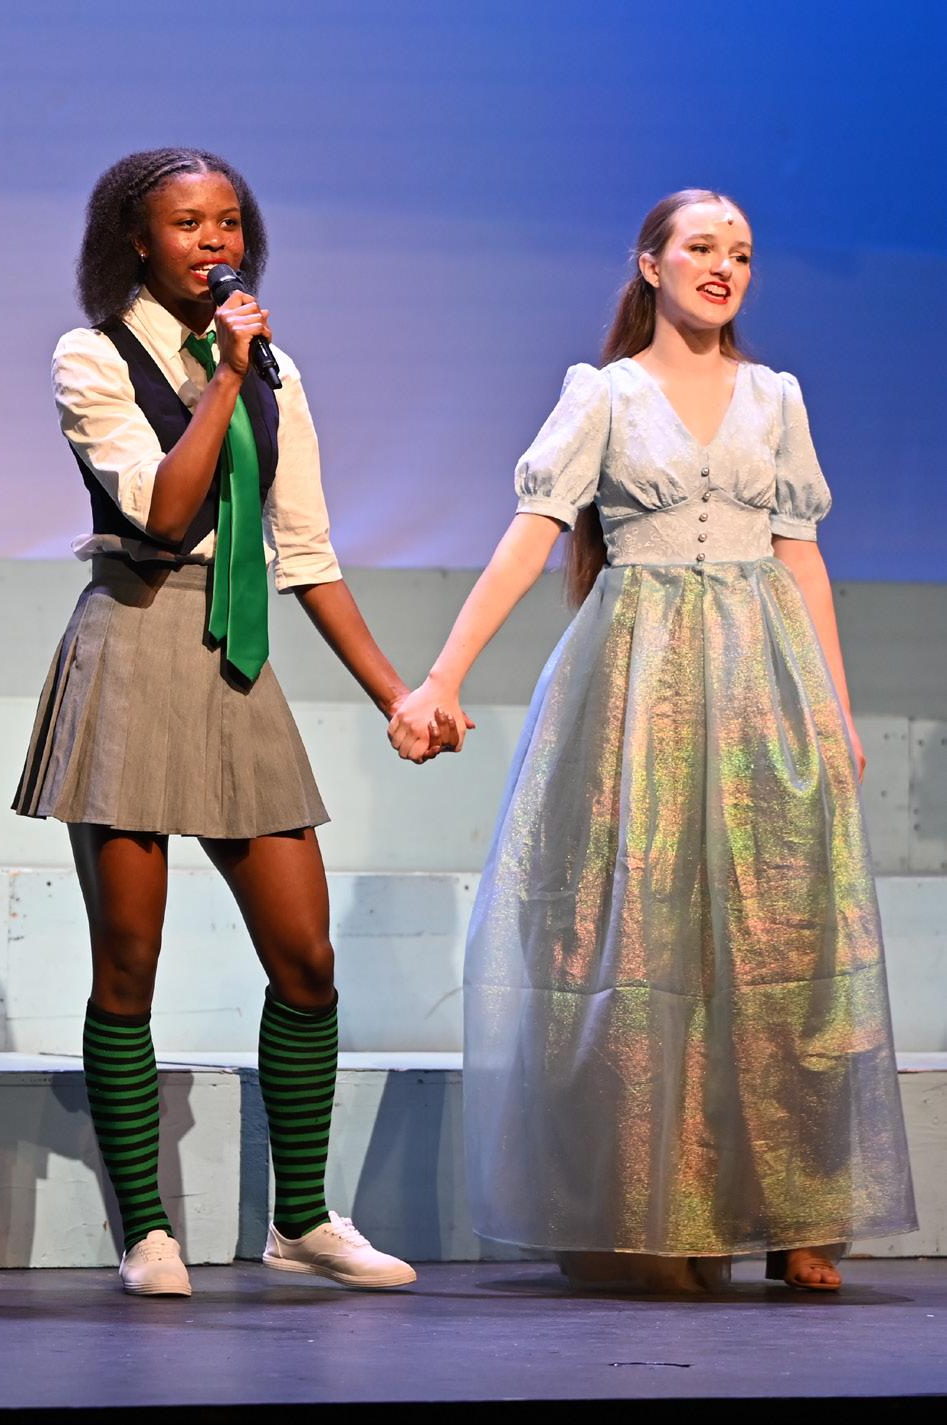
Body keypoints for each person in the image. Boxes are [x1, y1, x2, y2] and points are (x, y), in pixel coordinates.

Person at [390, 189, 917, 1293]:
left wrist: (833, 705)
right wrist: (442, 674)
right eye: (701, 248)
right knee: (641, 946)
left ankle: (793, 1211)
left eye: (742, 254)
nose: (724, 268)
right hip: (640, 684)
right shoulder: (605, 394)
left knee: (777, 945)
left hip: (763, 683)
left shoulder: (774, 396)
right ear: (650, 264)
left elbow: (800, 554)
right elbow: (531, 535)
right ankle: (657, 1205)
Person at [15, 148, 449, 1296]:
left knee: (306, 955)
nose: (215, 243)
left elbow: (304, 552)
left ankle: (301, 1220)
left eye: (228, 223)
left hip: (237, 651)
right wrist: (222, 379)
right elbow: (162, 508)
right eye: (188, 224)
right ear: (137, 239)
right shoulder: (92, 355)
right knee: (130, 957)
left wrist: (396, 693)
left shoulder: (275, 372)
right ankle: (146, 1231)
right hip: (136, 638)